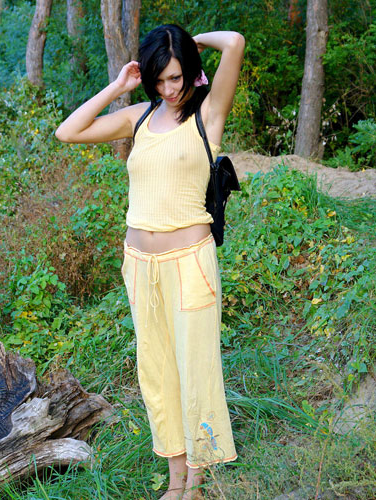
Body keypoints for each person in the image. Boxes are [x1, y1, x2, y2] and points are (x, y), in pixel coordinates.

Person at [55, 24, 245, 500]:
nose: (169, 88)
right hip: (140, 266)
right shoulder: (139, 117)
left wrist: (188, 42)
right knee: (157, 373)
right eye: (159, 80)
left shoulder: (207, 115)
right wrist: (118, 86)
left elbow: (235, 42)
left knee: (195, 369)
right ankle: (175, 479)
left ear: (191, 72)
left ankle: (196, 483)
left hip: (190, 264)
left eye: (176, 77)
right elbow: (67, 131)